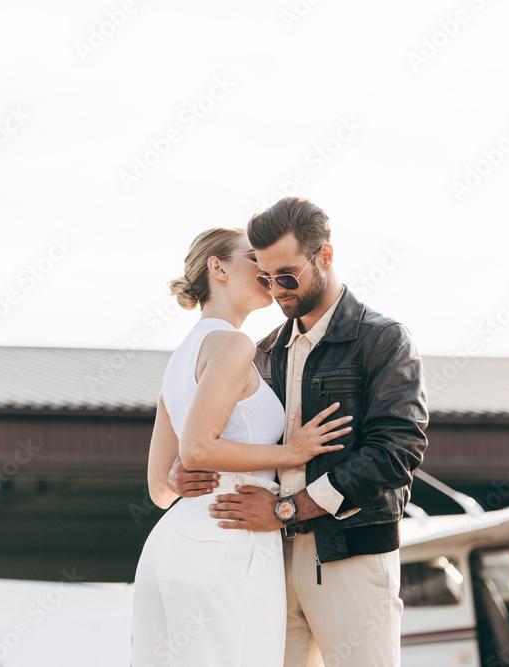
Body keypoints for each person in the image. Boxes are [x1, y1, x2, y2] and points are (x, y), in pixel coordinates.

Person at [173, 197, 430, 666]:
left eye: (286, 276)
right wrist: (187, 470)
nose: (276, 290)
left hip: (348, 556)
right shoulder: (264, 350)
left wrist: (289, 509)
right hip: (267, 560)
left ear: (325, 257)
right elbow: (240, 436)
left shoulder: (382, 339)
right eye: (266, 278)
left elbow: (397, 451)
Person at [131, 227, 353, 667]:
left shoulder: (178, 359)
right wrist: (291, 453)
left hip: (173, 541)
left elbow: (161, 489)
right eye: (255, 259)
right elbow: (197, 449)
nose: (268, 270)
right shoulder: (234, 344)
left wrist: (185, 475)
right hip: (226, 538)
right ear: (218, 268)